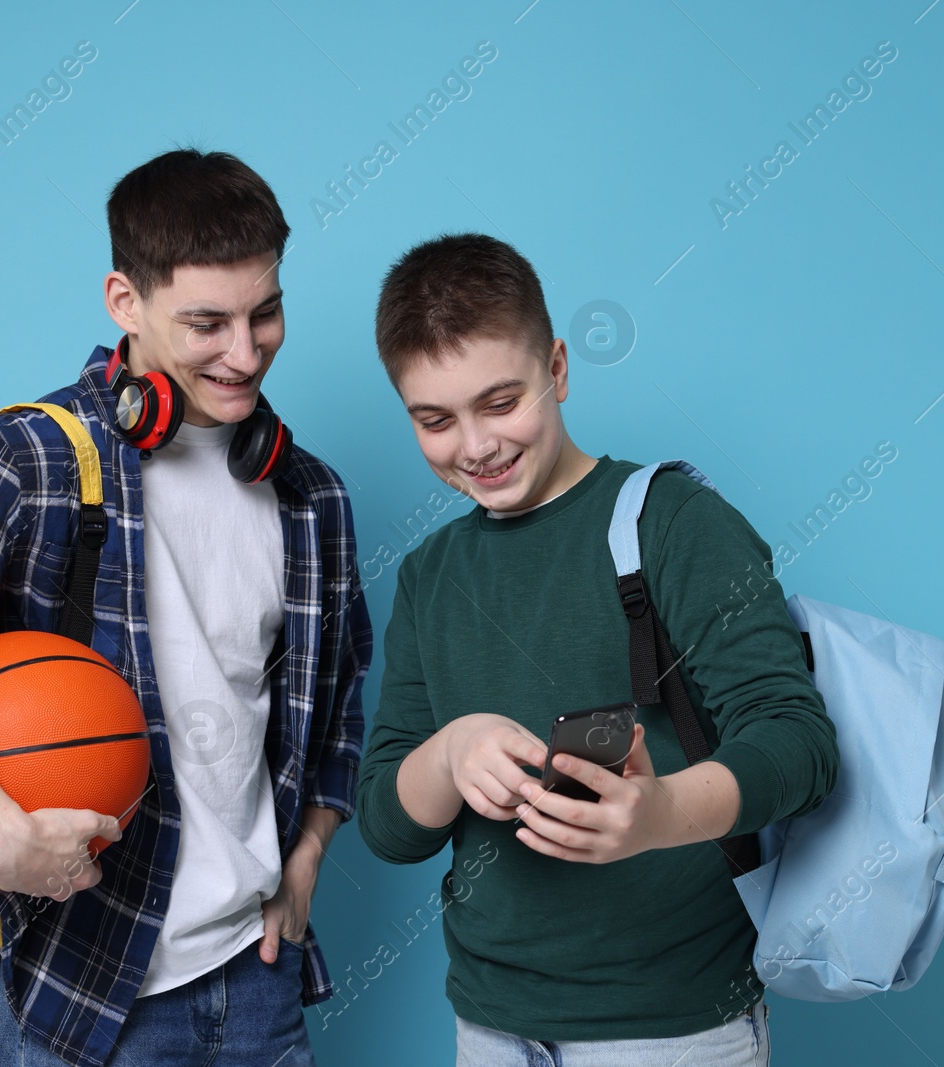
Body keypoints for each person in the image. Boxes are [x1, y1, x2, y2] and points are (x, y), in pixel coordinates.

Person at [0, 149, 371, 1067]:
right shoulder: (35, 456)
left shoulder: (310, 496)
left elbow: (337, 700)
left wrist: (304, 856)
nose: (246, 350)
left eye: (266, 313)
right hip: (86, 988)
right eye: (207, 323)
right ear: (125, 303)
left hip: (260, 978)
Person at [355, 233, 839, 1066]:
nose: (474, 446)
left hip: (673, 1027)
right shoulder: (430, 576)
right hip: (490, 1025)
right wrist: (449, 752)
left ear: (559, 369)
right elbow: (387, 827)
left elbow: (799, 744)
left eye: (501, 402)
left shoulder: (675, 523)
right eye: (435, 420)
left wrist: (659, 817)